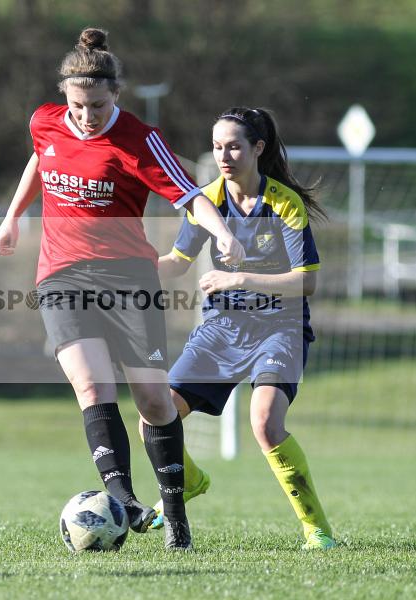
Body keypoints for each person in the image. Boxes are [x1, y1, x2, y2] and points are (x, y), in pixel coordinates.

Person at [0, 28, 246, 550]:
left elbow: (191, 195)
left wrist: (222, 232)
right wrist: (12, 217)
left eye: (98, 105)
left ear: (116, 95)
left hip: (130, 278)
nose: (87, 116)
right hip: (61, 274)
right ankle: (125, 501)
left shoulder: (139, 139)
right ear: (64, 96)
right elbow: (41, 157)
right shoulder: (44, 121)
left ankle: (176, 518)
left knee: (153, 400)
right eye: (78, 105)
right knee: (91, 386)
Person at [144, 106, 336, 550]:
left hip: (280, 328)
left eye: (233, 146)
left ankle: (317, 529)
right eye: (217, 147)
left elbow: (307, 282)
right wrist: (128, 271)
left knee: (265, 422)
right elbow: (177, 263)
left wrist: (239, 278)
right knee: (153, 413)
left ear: (257, 148)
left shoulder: (283, 203)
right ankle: (189, 480)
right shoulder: (206, 201)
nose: (224, 156)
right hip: (222, 329)